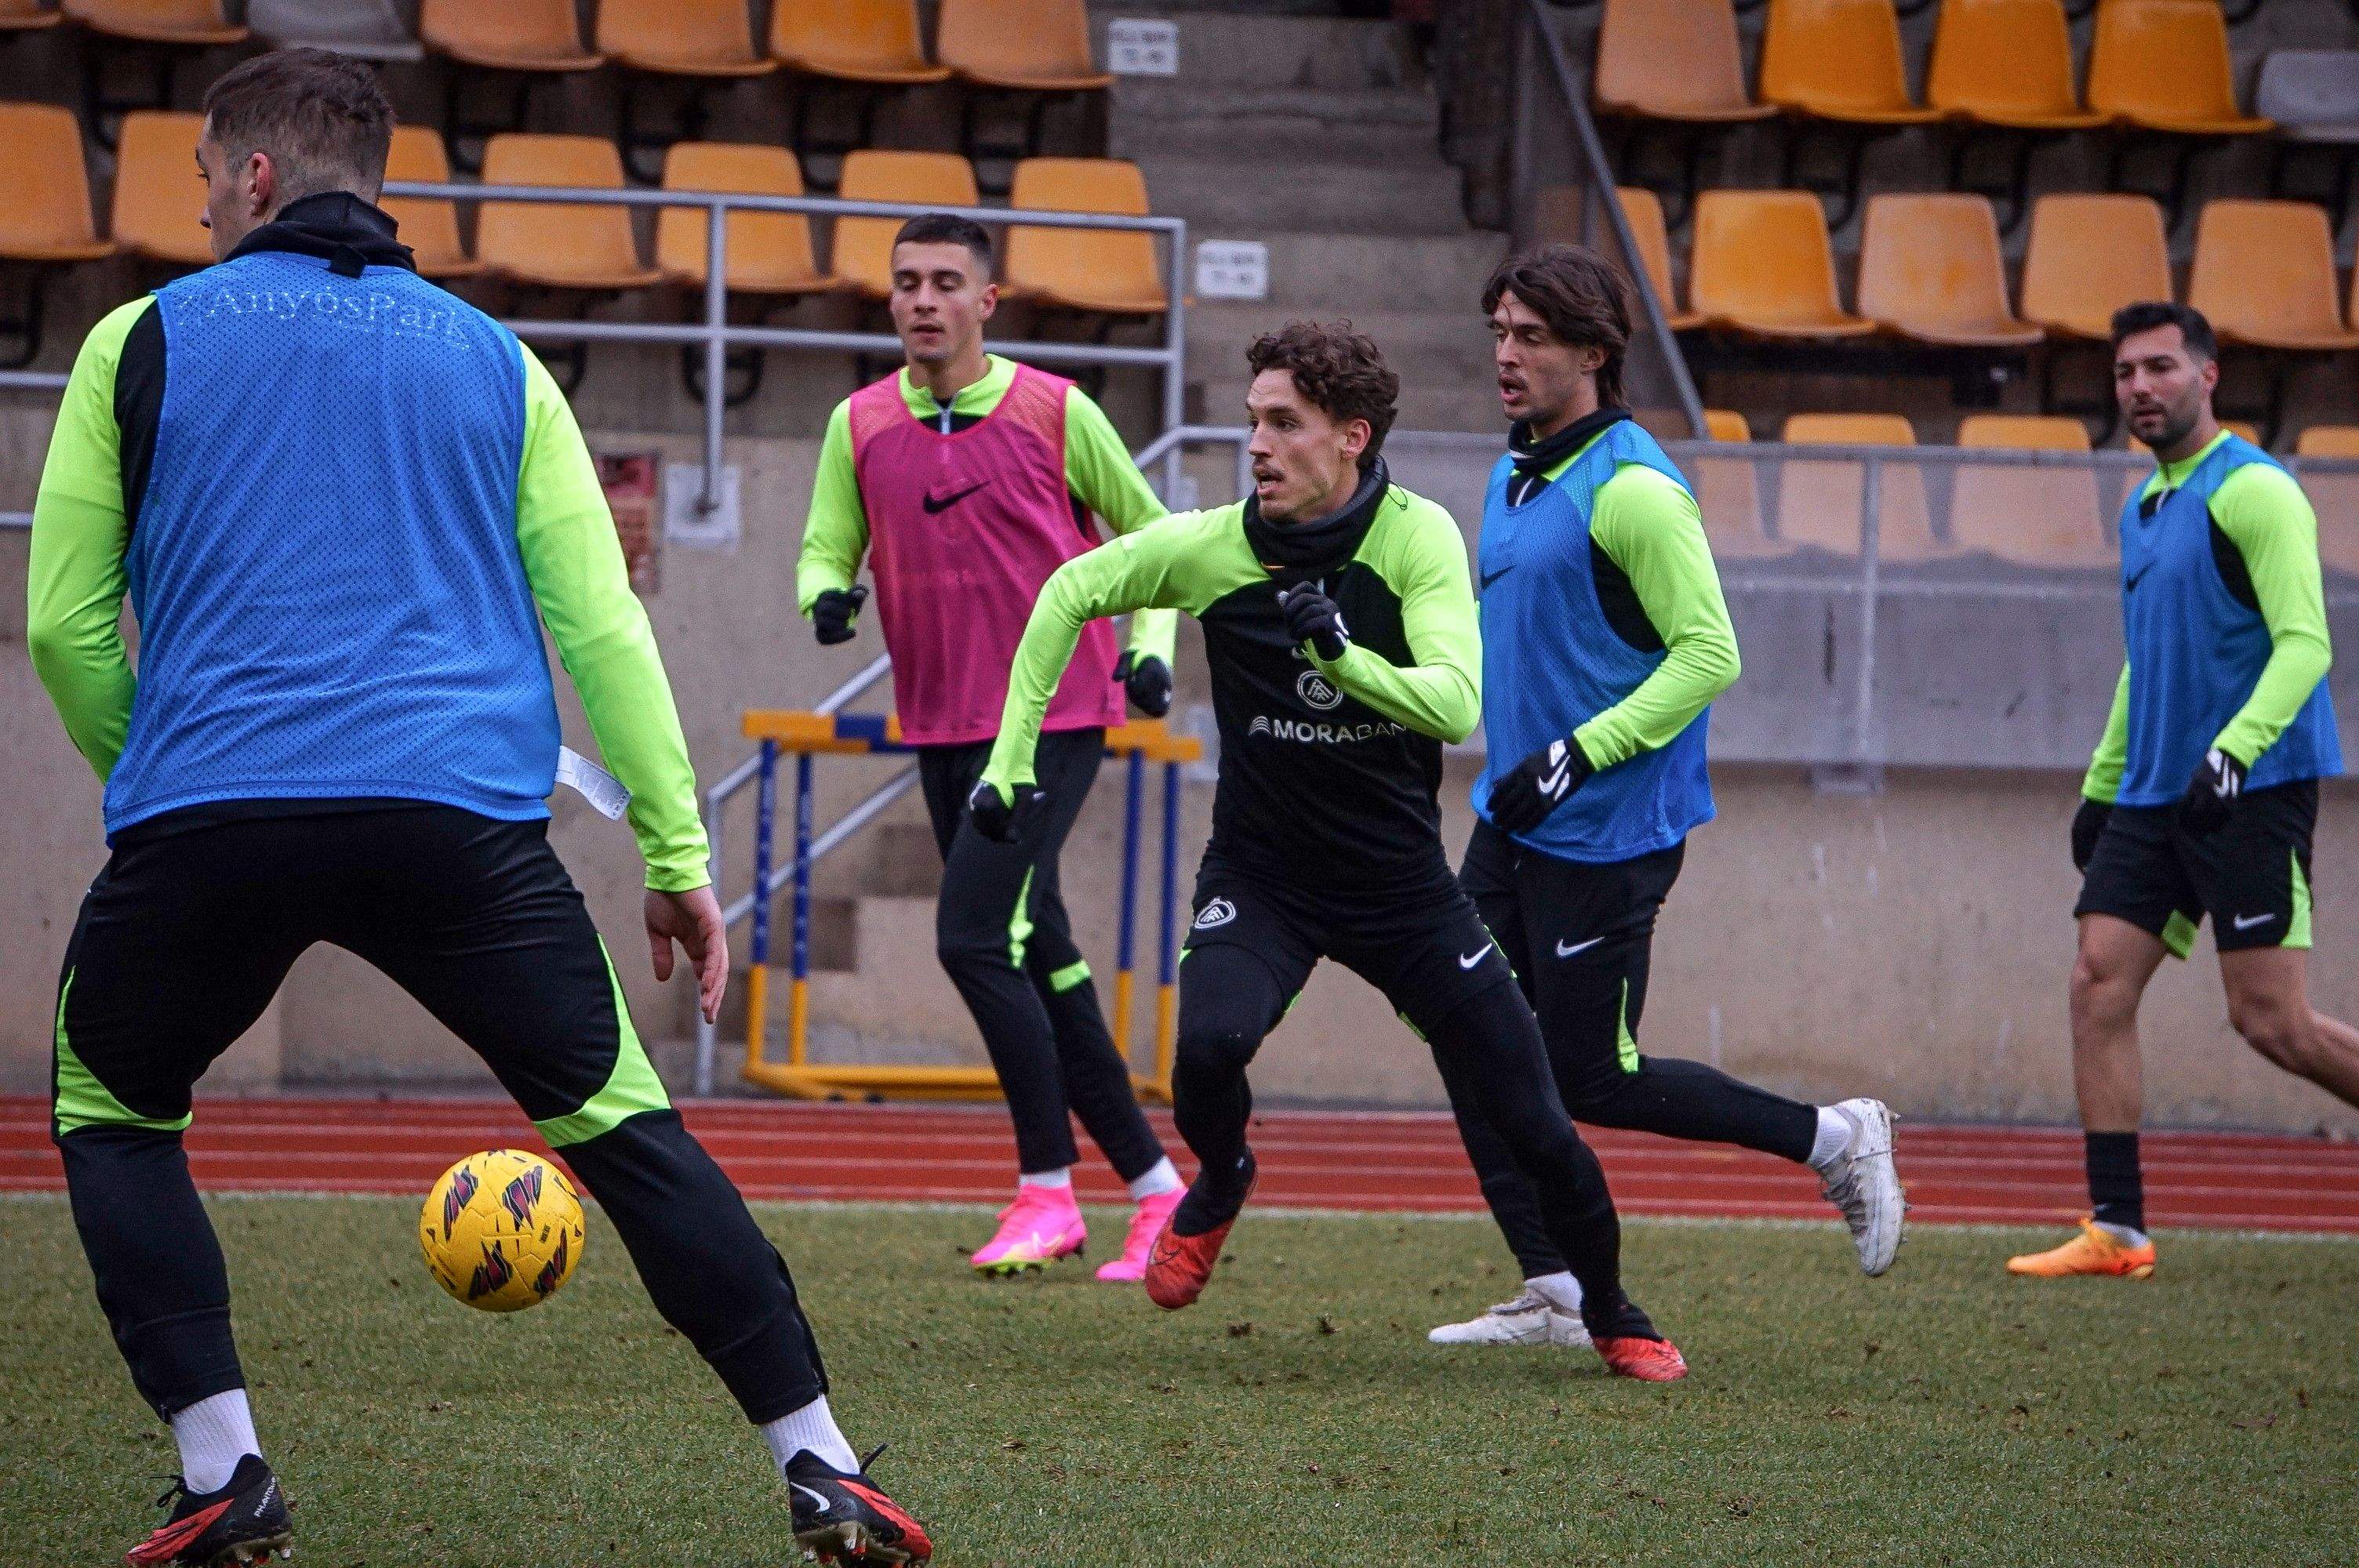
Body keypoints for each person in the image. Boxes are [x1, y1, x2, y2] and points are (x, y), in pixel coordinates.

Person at [25, 51, 926, 1568]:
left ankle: (223, 1473)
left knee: (113, 1112)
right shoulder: (499, 358)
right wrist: (674, 857)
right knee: (626, 1129)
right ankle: (821, 1464)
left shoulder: (135, 340)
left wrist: (154, 766)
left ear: (253, 180)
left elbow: (61, 625)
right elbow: (604, 629)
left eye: (199, 176)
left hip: (211, 814)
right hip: (456, 822)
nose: (193, 203)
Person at [970, 320, 1688, 1381]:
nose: (1256, 445)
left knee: (1537, 1116)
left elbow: (1452, 703)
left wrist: (1339, 656)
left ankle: (1616, 1314)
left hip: (1404, 894)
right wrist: (1010, 759)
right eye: (1252, 421)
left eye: (1283, 424)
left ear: (1350, 438)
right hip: (1263, 880)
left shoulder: (1415, 538)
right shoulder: (1216, 546)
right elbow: (1070, 589)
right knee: (1205, 1053)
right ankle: (1220, 1179)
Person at [1429, 245, 1906, 1351]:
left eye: (1532, 337)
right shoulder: (1517, 471)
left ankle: (1835, 1135)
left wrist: (1578, 755)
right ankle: (1552, 1289)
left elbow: (1708, 654)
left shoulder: (1634, 487)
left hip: (1606, 827)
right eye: (1498, 331)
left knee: (1595, 1075)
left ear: (1595, 353)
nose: (1507, 355)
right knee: (1467, 1026)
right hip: (1517, 817)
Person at [798, 212, 1187, 1281]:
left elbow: (1156, 539)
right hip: (940, 721)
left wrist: (1152, 648)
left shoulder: (1059, 411)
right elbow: (830, 541)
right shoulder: (861, 422)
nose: (923, 300)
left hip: (1055, 716)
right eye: (907, 283)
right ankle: (1157, 1190)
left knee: (973, 939)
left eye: (944, 283)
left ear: (988, 301)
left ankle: (1047, 1191)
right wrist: (826, 593)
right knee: (1040, 956)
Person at [2009, 301, 2359, 1280]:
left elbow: (2305, 643)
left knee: (2269, 1022)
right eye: (2124, 372)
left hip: (2253, 785)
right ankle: (2116, 1231)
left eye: (2159, 367)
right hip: (2157, 791)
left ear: (2208, 376)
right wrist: (2103, 780)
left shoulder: (2255, 491)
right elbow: (2144, 660)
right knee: (2096, 982)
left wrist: (2234, 752)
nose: (2139, 388)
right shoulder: (2143, 506)